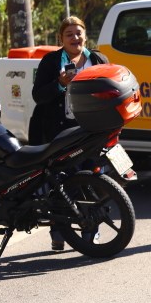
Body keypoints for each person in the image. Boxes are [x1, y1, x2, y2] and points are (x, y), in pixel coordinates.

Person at [30, 15, 109, 251]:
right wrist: (60, 83)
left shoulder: (98, 59)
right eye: (69, 34)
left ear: (85, 35)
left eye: (78, 33)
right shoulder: (51, 62)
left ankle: (91, 229)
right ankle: (58, 231)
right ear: (61, 39)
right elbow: (38, 96)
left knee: (93, 181)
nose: (75, 38)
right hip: (59, 131)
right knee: (60, 182)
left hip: (93, 129)